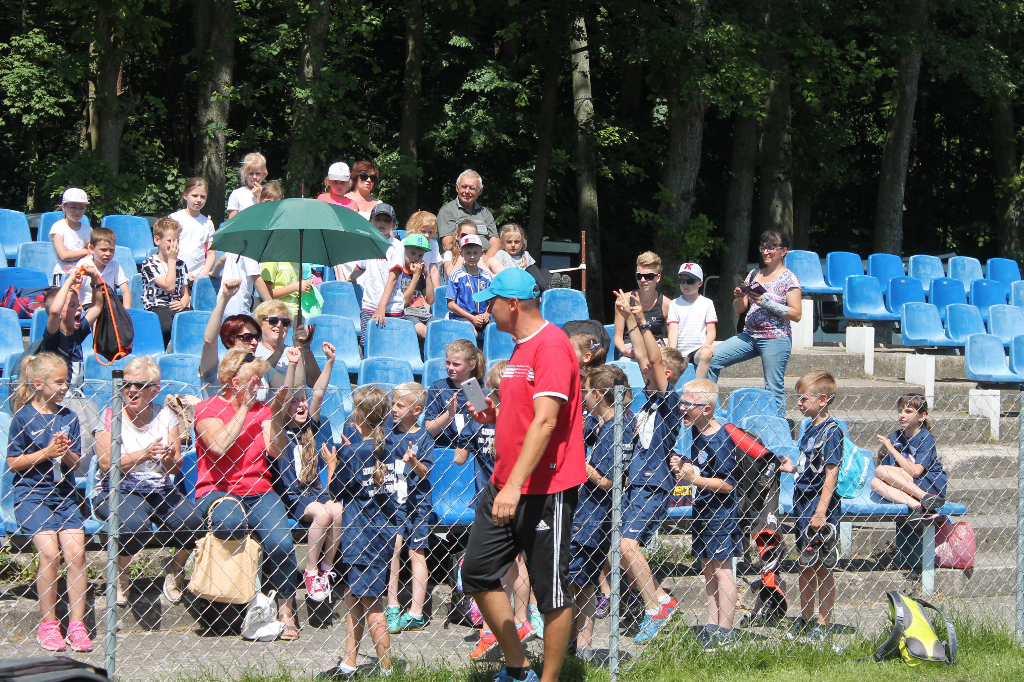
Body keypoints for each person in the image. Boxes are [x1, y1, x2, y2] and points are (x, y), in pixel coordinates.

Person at [461, 267, 586, 682]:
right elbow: (527, 414)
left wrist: (514, 486)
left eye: (491, 304)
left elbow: (547, 422)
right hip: (506, 483)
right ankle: (518, 667)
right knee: (476, 572)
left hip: (542, 488)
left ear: (512, 305)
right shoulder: (520, 347)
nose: (487, 313)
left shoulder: (551, 346)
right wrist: (492, 415)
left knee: (550, 591)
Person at [194, 347, 298, 640]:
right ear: (234, 382)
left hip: (259, 490)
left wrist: (276, 416)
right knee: (231, 524)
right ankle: (236, 603)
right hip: (218, 491)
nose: (260, 386)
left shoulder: (263, 410)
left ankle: (285, 609)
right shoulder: (207, 408)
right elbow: (218, 447)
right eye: (255, 380)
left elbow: (277, 451)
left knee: (281, 542)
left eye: (261, 380)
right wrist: (243, 408)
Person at [93, 356, 203, 606]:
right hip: (118, 488)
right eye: (127, 384)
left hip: (158, 487)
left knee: (194, 519)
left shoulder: (166, 416)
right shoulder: (111, 414)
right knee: (133, 525)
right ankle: (121, 575)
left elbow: (174, 466)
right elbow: (106, 463)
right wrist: (144, 453)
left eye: (140, 385)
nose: (131, 390)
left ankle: (175, 569)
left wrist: (166, 458)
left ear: (155, 390)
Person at [458, 360, 544, 659]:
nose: (495, 393)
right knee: (506, 562)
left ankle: (516, 621)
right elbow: (458, 457)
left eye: (497, 388)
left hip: (511, 491)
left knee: (512, 562)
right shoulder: (495, 417)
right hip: (492, 492)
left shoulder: (520, 419)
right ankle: (514, 622)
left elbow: (460, 457)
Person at [7, 353, 90, 652]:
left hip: (64, 496)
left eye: (66, 380)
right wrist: (46, 452)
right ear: (39, 384)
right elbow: (13, 462)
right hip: (31, 494)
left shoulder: (69, 416)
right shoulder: (23, 417)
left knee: (77, 554)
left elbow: (77, 464)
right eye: (59, 381)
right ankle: (49, 623)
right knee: (51, 553)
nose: (65, 386)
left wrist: (64, 452)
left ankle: (77, 625)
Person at [613, 289, 683, 643]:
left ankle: (657, 605)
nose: (642, 369)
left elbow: (652, 361)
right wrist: (626, 316)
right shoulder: (647, 401)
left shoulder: (669, 401)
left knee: (626, 545)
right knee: (622, 545)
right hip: (635, 483)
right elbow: (643, 355)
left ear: (666, 374)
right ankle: (651, 602)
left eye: (652, 370)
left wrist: (642, 320)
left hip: (653, 484)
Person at [331, 386, 398, 676]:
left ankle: (387, 670)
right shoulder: (392, 445)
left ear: (357, 415)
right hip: (382, 532)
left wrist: (334, 463)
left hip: (361, 535)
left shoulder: (352, 452)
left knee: (371, 604)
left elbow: (336, 490)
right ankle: (348, 664)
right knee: (353, 595)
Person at [669, 378, 740, 650]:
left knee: (722, 570)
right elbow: (702, 468)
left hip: (720, 514)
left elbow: (727, 484)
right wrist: (685, 464)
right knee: (707, 568)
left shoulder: (720, 439)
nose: (682, 408)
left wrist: (692, 479)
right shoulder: (698, 432)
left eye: (689, 405)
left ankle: (726, 629)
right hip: (703, 510)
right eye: (682, 402)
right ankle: (713, 623)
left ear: (707, 409)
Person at [572, 365, 634, 662]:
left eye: (587, 393)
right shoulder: (616, 423)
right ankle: (580, 647)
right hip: (595, 517)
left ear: (598, 395)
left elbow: (611, 481)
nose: (584, 398)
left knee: (576, 581)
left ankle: (577, 645)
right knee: (584, 582)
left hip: (591, 518)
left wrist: (585, 468)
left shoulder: (614, 430)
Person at [274, 343, 343, 603]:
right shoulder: (280, 430)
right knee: (324, 512)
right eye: (294, 402)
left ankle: (326, 568)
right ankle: (311, 571)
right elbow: (280, 406)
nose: (301, 405)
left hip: (314, 491)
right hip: (293, 495)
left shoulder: (309, 428)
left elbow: (319, 393)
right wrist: (292, 365)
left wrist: (330, 362)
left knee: (337, 510)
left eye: (302, 400)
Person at [708, 230, 802, 415]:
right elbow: (740, 309)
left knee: (773, 387)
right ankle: (712, 415)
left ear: (783, 251)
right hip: (749, 335)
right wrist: (739, 297)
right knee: (710, 360)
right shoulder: (754, 273)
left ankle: (776, 431)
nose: (766, 252)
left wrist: (766, 302)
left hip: (776, 338)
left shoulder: (789, 278)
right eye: (763, 248)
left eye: (771, 249)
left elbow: (796, 314)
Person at [779, 370, 841, 643]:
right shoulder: (808, 428)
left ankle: (823, 623)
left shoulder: (832, 431)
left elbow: (831, 473)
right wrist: (793, 469)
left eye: (803, 399)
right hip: (802, 502)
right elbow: (810, 466)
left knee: (823, 566)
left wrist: (821, 512)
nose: (799, 404)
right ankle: (804, 618)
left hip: (820, 504)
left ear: (822, 399)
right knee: (805, 563)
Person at [384, 382, 435, 633]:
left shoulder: (423, 437)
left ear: (416, 410)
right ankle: (392, 605)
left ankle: (416, 611)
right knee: (394, 547)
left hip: (418, 502)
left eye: (399, 405)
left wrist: (413, 461)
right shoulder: (387, 433)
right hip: (393, 501)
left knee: (417, 552)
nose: (393, 408)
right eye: (393, 403)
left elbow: (425, 473)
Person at [871, 394, 948, 522]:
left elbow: (916, 472)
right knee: (875, 482)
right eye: (900, 411)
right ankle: (919, 508)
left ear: (922, 416)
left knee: (880, 470)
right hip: (908, 483)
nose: (902, 415)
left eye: (908, 411)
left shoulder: (925, 438)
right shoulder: (896, 436)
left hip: (930, 482)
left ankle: (927, 497)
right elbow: (887, 470)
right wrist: (881, 456)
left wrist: (892, 450)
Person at [41, 268, 105, 387]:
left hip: (75, 396)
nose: (79, 308)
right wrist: (69, 282)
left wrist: (94, 278)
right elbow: (54, 311)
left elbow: (97, 307)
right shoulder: (54, 337)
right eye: (72, 305)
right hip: (57, 398)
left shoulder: (77, 332)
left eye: (79, 304)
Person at [198, 279, 262, 397]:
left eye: (257, 337)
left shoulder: (259, 367)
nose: (255, 342)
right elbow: (209, 341)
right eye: (247, 337)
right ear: (230, 340)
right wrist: (224, 298)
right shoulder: (215, 367)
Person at [424, 339, 483, 450]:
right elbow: (430, 430)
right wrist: (449, 414)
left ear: (471, 365)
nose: (450, 368)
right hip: (444, 448)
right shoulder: (438, 388)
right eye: (448, 362)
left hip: (473, 449)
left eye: (456, 364)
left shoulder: (480, 389)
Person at [141, 218, 191, 348]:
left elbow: (185, 293)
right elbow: (169, 287)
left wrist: (183, 303)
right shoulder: (150, 263)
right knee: (167, 327)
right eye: (170, 241)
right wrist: (171, 260)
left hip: (177, 307)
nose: (174, 245)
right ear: (157, 240)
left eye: (177, 241)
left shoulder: (181, 264)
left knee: (192, 324)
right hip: (157, 306)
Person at [612, 252, 670, 360]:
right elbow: (618, 336)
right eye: (639, 276)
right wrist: (624, 350)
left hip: (655, 348)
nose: (643, 280)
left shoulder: (667, 304)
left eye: (648, 276)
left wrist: (667, 352)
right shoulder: (624, 299)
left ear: (658, 278)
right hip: (631, 347)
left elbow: (673, 338)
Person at [253, 300, 321, 391]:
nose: (279, 325)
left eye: (285, 322)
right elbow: (258, 379)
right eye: (273, 321)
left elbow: (316, 384)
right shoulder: (253, 350)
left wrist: (305, 348)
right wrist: (278, 353)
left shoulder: (294, 351)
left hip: (296, 403)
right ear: (259, 324)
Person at [666, 262, 717, 380]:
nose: (685, 284)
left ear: (700, 283)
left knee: (706, 353)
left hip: (697, 350)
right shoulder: (674, 303)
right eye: (682, 281)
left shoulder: (707, 303)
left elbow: (711, 330)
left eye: (690, 281)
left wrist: (707, 344)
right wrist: (673, 352)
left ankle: (698, 386)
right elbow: (673, 331)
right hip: (679, 351)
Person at [436, 170, 499, 256]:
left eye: (472, 188)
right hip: (460, 259)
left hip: (486, 259)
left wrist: (486, 258)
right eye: (464, 187)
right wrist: (472, 258)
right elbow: (448, 244)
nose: (467, 191)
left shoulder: (485, 213)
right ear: (457, 188)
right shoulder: (447, 211)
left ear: (480, 191)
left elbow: (496, 244)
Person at [169, 177, 217, 283]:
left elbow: (211, 253)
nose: (199, 200)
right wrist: (181, 273)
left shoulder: (207, 223)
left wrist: (202, 275)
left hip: (198, 275)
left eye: (203, 197)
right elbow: (168, 248)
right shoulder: (175, 218)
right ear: (185, 196)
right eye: (195, 196)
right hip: (176, 273)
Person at [446, 235, 492, 340]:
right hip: (461, 317)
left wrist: (487, 313)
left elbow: (492, 302)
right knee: (472, 333)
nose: (472, 257)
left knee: (496, 330)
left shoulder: (487, 276)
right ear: (461, 253)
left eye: (475, 253)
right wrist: (472, 318)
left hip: (482, 318)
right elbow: (450, 304)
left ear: (481, 253)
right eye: (468, 253)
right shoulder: (456, 275)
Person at [75, 227, 130, 309]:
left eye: (111, 250)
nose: (108, 253)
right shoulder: (83, 264)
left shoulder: (115, 266)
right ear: (92, 248)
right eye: (103, 250)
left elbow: (126, 293)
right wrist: (80, 310)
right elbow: (75, 289)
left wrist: (126, 313)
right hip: (87, 304)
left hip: (108, 305)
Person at [48, 187, 92, 286]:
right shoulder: (58, 227)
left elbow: (92, 253)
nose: (77, 211)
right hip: (64, 273)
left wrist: (75, 256)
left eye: (81, 208)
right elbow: (63, 255)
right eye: (72, 207)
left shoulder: (87, 229)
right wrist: (84, 251)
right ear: (64, 207)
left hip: (82, 273)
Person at [405, 211, 442, 288]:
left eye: (430, 232)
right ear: (414, 229)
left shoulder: (432, 243)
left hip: (424, 281)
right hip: (407, 279)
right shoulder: (406, 243)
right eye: (423, 231)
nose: (427, 235)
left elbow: (434, 270)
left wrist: (437, 290)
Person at [227, 152, 268, 218]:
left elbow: (268, 215)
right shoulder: (237, 194)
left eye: (258, 173)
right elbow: (232, 220)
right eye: (251, 173)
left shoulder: (267, 193)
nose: (254, 177)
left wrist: (259, 197)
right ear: (245, 174)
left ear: (264, 174)